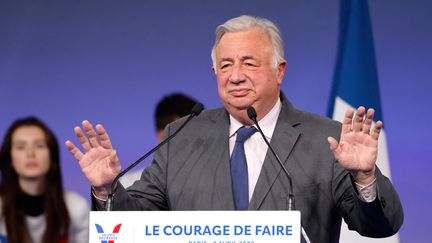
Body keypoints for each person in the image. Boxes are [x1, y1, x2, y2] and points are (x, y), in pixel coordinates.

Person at [65, 15, 403, 243]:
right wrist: (107, 189)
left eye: (249, 63)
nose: (235, 75)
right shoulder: (183, 136)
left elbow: (378, 226)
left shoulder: (323, 139)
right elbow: (132, 227)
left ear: (279, 70)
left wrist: (364, 179)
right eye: (225, 65)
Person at [0, 117, 89, 243]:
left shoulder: (76, 207)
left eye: (39, 145)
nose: (30, 153)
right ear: (9, 160)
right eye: (20, 147)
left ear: (52, 157)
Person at [119, 92, 201, 187]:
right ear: (162, 135)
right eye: (186, 132)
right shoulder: (130, 185)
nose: (195, 140)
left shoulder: (215, 178)